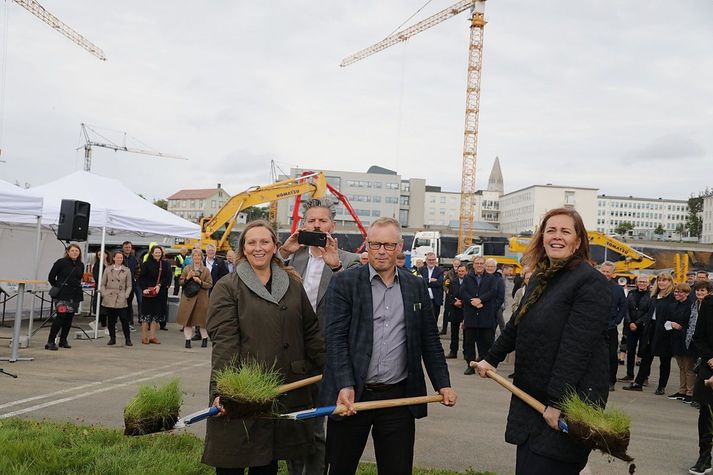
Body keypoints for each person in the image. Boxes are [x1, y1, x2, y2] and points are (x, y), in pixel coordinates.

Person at [474, 208, 610, 475]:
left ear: (579, 241)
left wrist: (558, 403)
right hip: (532, 398)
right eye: (550, 230)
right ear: (542, 237)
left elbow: (576, 348)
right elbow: (517, 323)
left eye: (565, 231)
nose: (556, 237)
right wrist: (491, 358)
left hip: (566, 402)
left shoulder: (590, 282)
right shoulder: (541, 276)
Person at [320, 217, 456, 475]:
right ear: (367, 245)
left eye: (388, 245)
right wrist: (345, 385)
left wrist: (443, 384)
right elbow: (335, 340)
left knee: (397, 468)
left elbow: (429, 340)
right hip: (352, 395)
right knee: (339, 467)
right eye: (375, 244)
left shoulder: (416, 286)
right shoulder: (345, 283)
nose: (381, 251)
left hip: (398, 397)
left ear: (400, 247)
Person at [202, 220, 325, 475]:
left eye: (265, 241)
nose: (259, 248)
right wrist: (221, 391)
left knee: (267, 461)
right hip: (241, 391)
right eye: (252, 242)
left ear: (275, 246)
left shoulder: (292, 284)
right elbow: (225, 343)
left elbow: (311, 331)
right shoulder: (228, 286)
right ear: (243, 249)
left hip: (281, 388)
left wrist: (335, 372)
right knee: (231, 460)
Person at [278, 197, 359, 475]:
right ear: (302, 225)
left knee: (317, 426)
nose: (317, 225)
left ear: (332, 226)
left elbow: (356, 300)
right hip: (291, 355)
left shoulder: (349, 261)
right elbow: (261, 282)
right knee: (291, 423)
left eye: (322, 220)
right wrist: (282, 253)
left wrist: (335, 266)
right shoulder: (291, 257)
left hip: (326, 357)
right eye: (311, 220)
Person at [623, 272, 676, 393]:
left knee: (664, 359)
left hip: (664, 330)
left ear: (670, 282)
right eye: (660, 280)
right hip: (650, 328)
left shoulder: (672, 297)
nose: (662, 283)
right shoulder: (654, 295)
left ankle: (661, 386)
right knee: (646, 357)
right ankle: (638, 383)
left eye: (665, 280)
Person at [690, 287, 713, 475]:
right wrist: (709, 357)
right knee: (706, 412)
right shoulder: (708, 303)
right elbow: (699, 337)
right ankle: (704, 456)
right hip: (710, 364)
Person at [462, 255, 497, 375]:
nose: (479, 265)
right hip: (471, 315)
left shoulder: (491, 278)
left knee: (485, 342)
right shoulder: (467, 278)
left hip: (485, 315)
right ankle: (470, 365)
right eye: (477, 263)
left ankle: (483, 365)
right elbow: (463, 292)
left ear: (484, 265)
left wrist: (480, 300)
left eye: (481, 263)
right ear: (474, 264)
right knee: (469, 342)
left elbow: (493, 292)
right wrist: (472, 301)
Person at [46, 243, 85, 350]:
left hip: (75, 295)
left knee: (69, 318)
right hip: (62, 295)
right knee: (60, 317)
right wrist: (58, 285)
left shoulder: (80, 264)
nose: (74, 253)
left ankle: (63, 340)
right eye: (72, 250)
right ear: (68, 252)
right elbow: (51, 277)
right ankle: (50, 341)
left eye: (77, 251)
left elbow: (79, 278)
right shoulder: (61, 262)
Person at [598, 261, 626, 391]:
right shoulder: (592, 286)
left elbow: (623, 307)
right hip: (594, 326)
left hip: (610, 327)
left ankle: (611, 381)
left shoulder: (618, 289)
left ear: (613, 274)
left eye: (608, 272)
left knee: (611, 356)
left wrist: (617, 321)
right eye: (603, 271)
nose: (605, 274)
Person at [177, 248, 213, 349]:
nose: (196, 258)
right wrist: (188, 277)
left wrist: (200, 281)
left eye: (198, 256)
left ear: (201, 258)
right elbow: (180, 282)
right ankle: (187, 341)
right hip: (188, 298)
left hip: (201, 299)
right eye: (194, 256)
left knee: (202, 322)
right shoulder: (187, 268)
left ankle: (204, 339)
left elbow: (210, 284)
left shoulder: (206, 270)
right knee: (187, 321)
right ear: (192, 258)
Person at [619, 275, 652, 382]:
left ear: (648, 283)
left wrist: (637, 323)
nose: (642, 283)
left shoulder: (651, 295)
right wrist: (629, 322)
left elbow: (649, 312)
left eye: (644, 281)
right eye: (640, 281)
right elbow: (626, 308)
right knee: (630, 351)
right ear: (636, 283)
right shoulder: (631, 293)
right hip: (630, 326)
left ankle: (644, 376)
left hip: (644, 327)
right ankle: (629, 374)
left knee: (644, 352)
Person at [138, 245, 171, 345]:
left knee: (155, 316)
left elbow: (168, 277)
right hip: (148, 292)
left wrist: (160, 285)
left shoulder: (165, 264)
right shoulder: (146, 264)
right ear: (152, 253)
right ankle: (144, 337)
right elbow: (141, 278)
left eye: (159, 252)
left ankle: (152, 336)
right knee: (146, 316)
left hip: (159, 292)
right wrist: (144, 289)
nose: (158, 254)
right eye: (156, 252)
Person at [101, 251, 133, 347]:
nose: (119, 259)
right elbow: (103, 283)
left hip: (121, 296)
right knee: (111, 319)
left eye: (121, 258)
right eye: (118, 257)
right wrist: (104, 293)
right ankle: (112, 338)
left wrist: (126, 295)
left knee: (124, 319)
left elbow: (129, 285)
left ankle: (127, 339)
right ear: (114, 258)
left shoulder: (126, 270)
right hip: (110, 296)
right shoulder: (108, 269)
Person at [668, 283, 693, 401]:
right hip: (676, 338)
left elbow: (690, 323)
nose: (677, 294)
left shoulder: (691, 306)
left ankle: (690, 392)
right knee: (681, 367)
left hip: (686, 339)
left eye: (680, 292)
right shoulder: (674, 305)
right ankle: (682, 390)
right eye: (676, 292)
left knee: (689, 368)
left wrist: (680, 327)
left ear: (687, 293)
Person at [446, 264, 467, 359]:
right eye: (460, 271)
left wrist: (462, 302)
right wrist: (454, 302)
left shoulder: (469, 282)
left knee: (466, 333)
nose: (461, 273)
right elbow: (449, 295)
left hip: (466, 310)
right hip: (455, 309)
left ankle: (466, 352)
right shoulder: (453, 282)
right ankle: (453, 352)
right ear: (457, 272)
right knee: (454, 333)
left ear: (466, 272)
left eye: (463, 271)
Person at [419, 252, 445, 329]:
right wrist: (430, 280)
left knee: (434, 321)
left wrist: (425, 282)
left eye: (433, 260)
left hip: (435, 300)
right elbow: (418, 282)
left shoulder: (440, 270)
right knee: (423, 321)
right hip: (423, 300)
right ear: (426, 260)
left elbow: (439, 283)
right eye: (429, 260)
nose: (431, 261)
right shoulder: (421, 270)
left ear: (435, 260)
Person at [121, 241, 141, 327]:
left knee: (129, 303)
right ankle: (122, 321)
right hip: (121, 285)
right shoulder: (120, 257)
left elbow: (138, 269)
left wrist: (135, 278)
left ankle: (130, 321)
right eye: (126, 247)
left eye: (129, 247)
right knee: (120, 303)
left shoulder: (134, 259)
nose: (127, 249)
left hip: (131, 284)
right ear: (123, 248)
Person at [485, 258, 506, 333]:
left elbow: (501, 297)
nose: (490, 268)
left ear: (495, 267)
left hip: (494, 309)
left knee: (491, 331)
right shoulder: (481, 277)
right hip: (480, 308)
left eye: (492, 266)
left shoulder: (499, 280)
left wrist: (492, 307)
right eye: (488, 266)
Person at [91, 249, 112, 327]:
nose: (101, 256)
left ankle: (104, 324)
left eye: (103, 254)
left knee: (108, 307)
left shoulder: (110, 264)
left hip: (111, 288)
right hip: (101, 287)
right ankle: (101, 323)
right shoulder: (97, 265)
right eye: (99, 255)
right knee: (101, 306)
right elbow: (96, 277)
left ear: (106, 254)